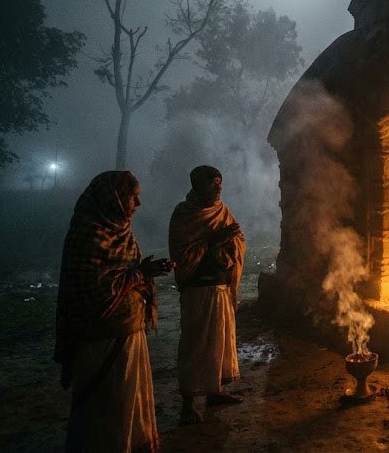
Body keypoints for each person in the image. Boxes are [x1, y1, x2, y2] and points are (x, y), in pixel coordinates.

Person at [54, 171, 171, 452]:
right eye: (133, 196)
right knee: (106, 404)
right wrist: (138, 274)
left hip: (129, 332)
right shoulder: (89, 234)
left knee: (129, 398)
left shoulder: (121, 231)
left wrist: (145, 273)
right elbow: (94, 291)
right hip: (100, 339)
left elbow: (125, 274)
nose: (138, 203)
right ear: (114, 199)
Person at [170, 166, 246, 424]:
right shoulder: (184, 214)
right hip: (198, 288)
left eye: (220, 183)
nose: (218, 188)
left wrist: (232, 240)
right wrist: (213, 241)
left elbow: (237, 237)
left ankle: (215, 391)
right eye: (213, 184)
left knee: (220, 340)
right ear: (197, 186)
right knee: (196, 344)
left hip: (221, 285)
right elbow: (183, 255)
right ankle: (188, 402)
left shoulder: (221, 211)